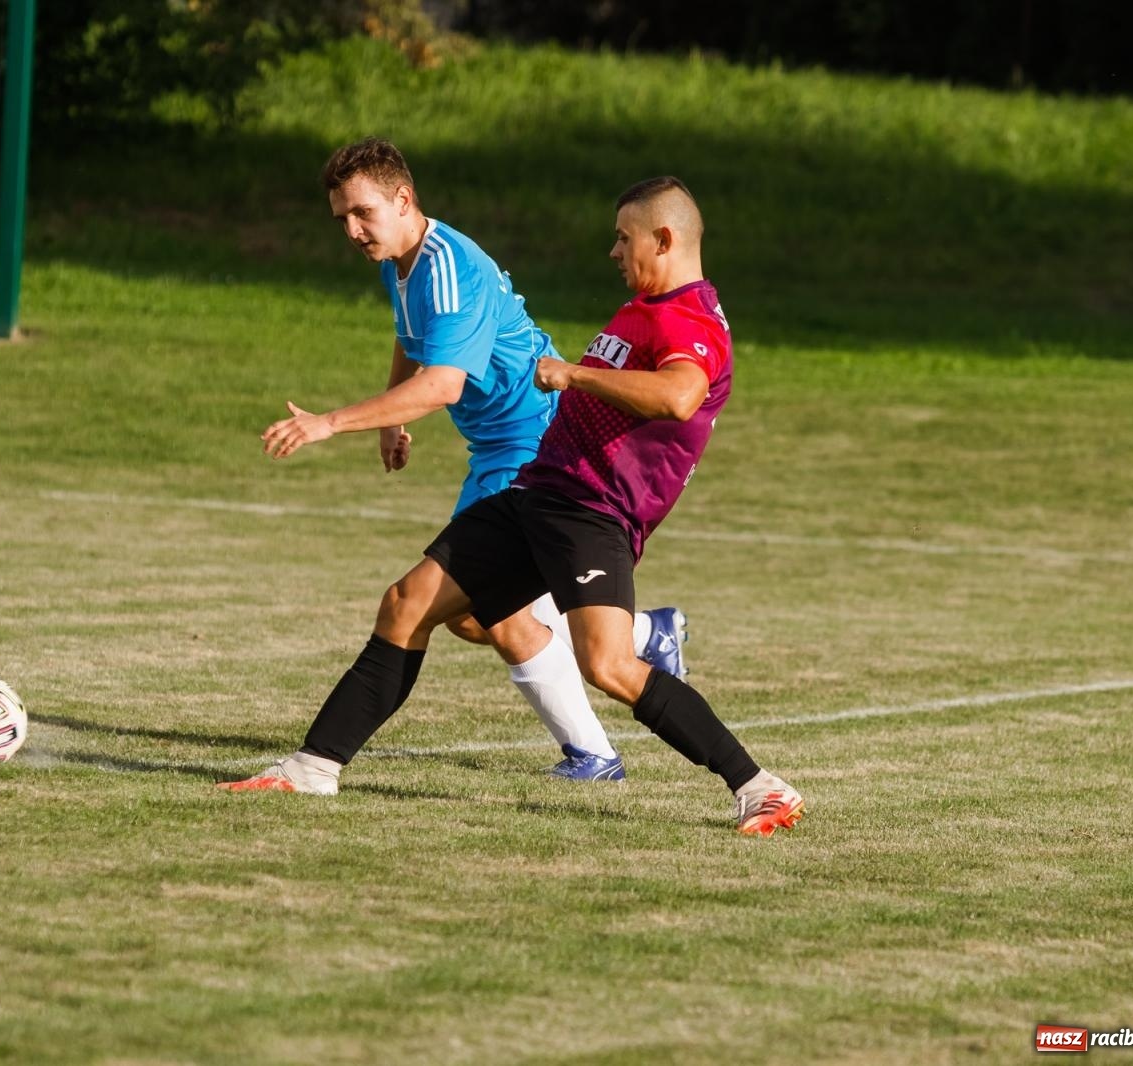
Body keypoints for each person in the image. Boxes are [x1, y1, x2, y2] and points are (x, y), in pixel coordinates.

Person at [224, 175, 804, 836]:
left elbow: (678, 396)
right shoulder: (646, 305)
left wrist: (573, 373)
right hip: (536, 491)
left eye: (624, 238)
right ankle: (313, 767)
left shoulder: (688, 317)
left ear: (663, 239)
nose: (614, 252)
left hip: (592, 511)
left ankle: (758, 787)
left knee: (609, 666)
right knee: (407, 603)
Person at [260, 137, 689, 782]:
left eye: (361, 214)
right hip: (498, 446)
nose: (351, 230)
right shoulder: (400, 263)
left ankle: (602, 729)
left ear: (403, 199)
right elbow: (415, 338)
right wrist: (394, 417)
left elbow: (445, 384)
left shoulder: (449, 267)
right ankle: (625, 680)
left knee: (460, 603)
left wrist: (330, 423)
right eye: (341, 218)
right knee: (468, 611)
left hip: (534, 442)